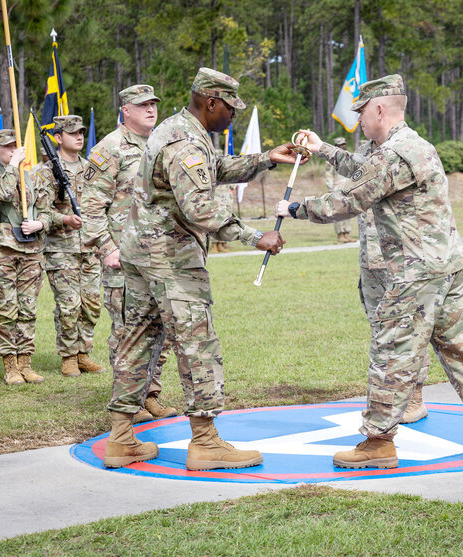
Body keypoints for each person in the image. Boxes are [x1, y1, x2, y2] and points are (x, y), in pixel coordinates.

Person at [275, 74, 463, 469]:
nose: (360, 123)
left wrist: (296, 209)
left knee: (392, 354)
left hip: (414, 275)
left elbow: (350, 199)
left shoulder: (394, 155)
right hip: (450, 269)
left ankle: (378, 444)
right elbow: (366, 168)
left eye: (362, 115)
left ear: (379, 110)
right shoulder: (411, 146)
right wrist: (323, 150)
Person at [102, 67, 304, 470]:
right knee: (197, 344)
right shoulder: (185, 141)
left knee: (137, 342)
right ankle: (206, 442)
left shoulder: (179, 129)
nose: (233, 115)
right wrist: (253, 236)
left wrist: (267, 159)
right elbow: (199, 206)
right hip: (170, 259)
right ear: (210, 102)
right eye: (230, 107)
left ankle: (122, 439)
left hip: (141, 254)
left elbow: (214, 170)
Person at [81, 84, 176, 422]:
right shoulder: (110, 149)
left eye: (153, 103)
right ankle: (125, 401)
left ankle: (149, 393)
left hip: (158, 256)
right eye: (142, 105)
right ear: (126, 110)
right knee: (127, 329)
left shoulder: (160, 145)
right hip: (123, 258)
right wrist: (106, 248)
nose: (151, 109)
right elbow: (91, 207)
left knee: (161, 329)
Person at [32, 115, 104, 377]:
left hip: (90, 246)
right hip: (62, 248)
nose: (79, 137)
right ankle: (69, 357)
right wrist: (63, 219)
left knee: (92, 304)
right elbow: (39, 212)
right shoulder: (46, 171)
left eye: (81, 132)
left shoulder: (92, 169)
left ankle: (83, 353)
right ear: (58, 138)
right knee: (69, 305)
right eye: (72, 133)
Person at [0, 129, 50, 385]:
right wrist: (12, 166)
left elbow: (47, 210)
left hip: (31, 250)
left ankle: (25, 362)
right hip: (1, 252)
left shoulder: (31, 177)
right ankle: (10, 366)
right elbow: (3, 194)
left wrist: (40, 224)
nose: (11, 150)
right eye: (5, 147)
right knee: (7, 309)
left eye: (14, 146)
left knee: (28, 309)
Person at [357, 208, 428, 424]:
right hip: (370, 259)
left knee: (409, 329)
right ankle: (384, 402)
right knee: (380, 332)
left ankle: (414, 399)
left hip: (401, 259)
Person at [325, 137, 355, 243]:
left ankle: (347, 233)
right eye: (340, 145)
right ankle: (340, 234)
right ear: (336, 146)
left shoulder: (348, 157)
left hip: (347, 188)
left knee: (348, 211)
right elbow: (329, 175)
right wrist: (330, 189)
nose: (343, 146)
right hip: (337, 188)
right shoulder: (331, 159)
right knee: (338, 212)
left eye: (344, 144)